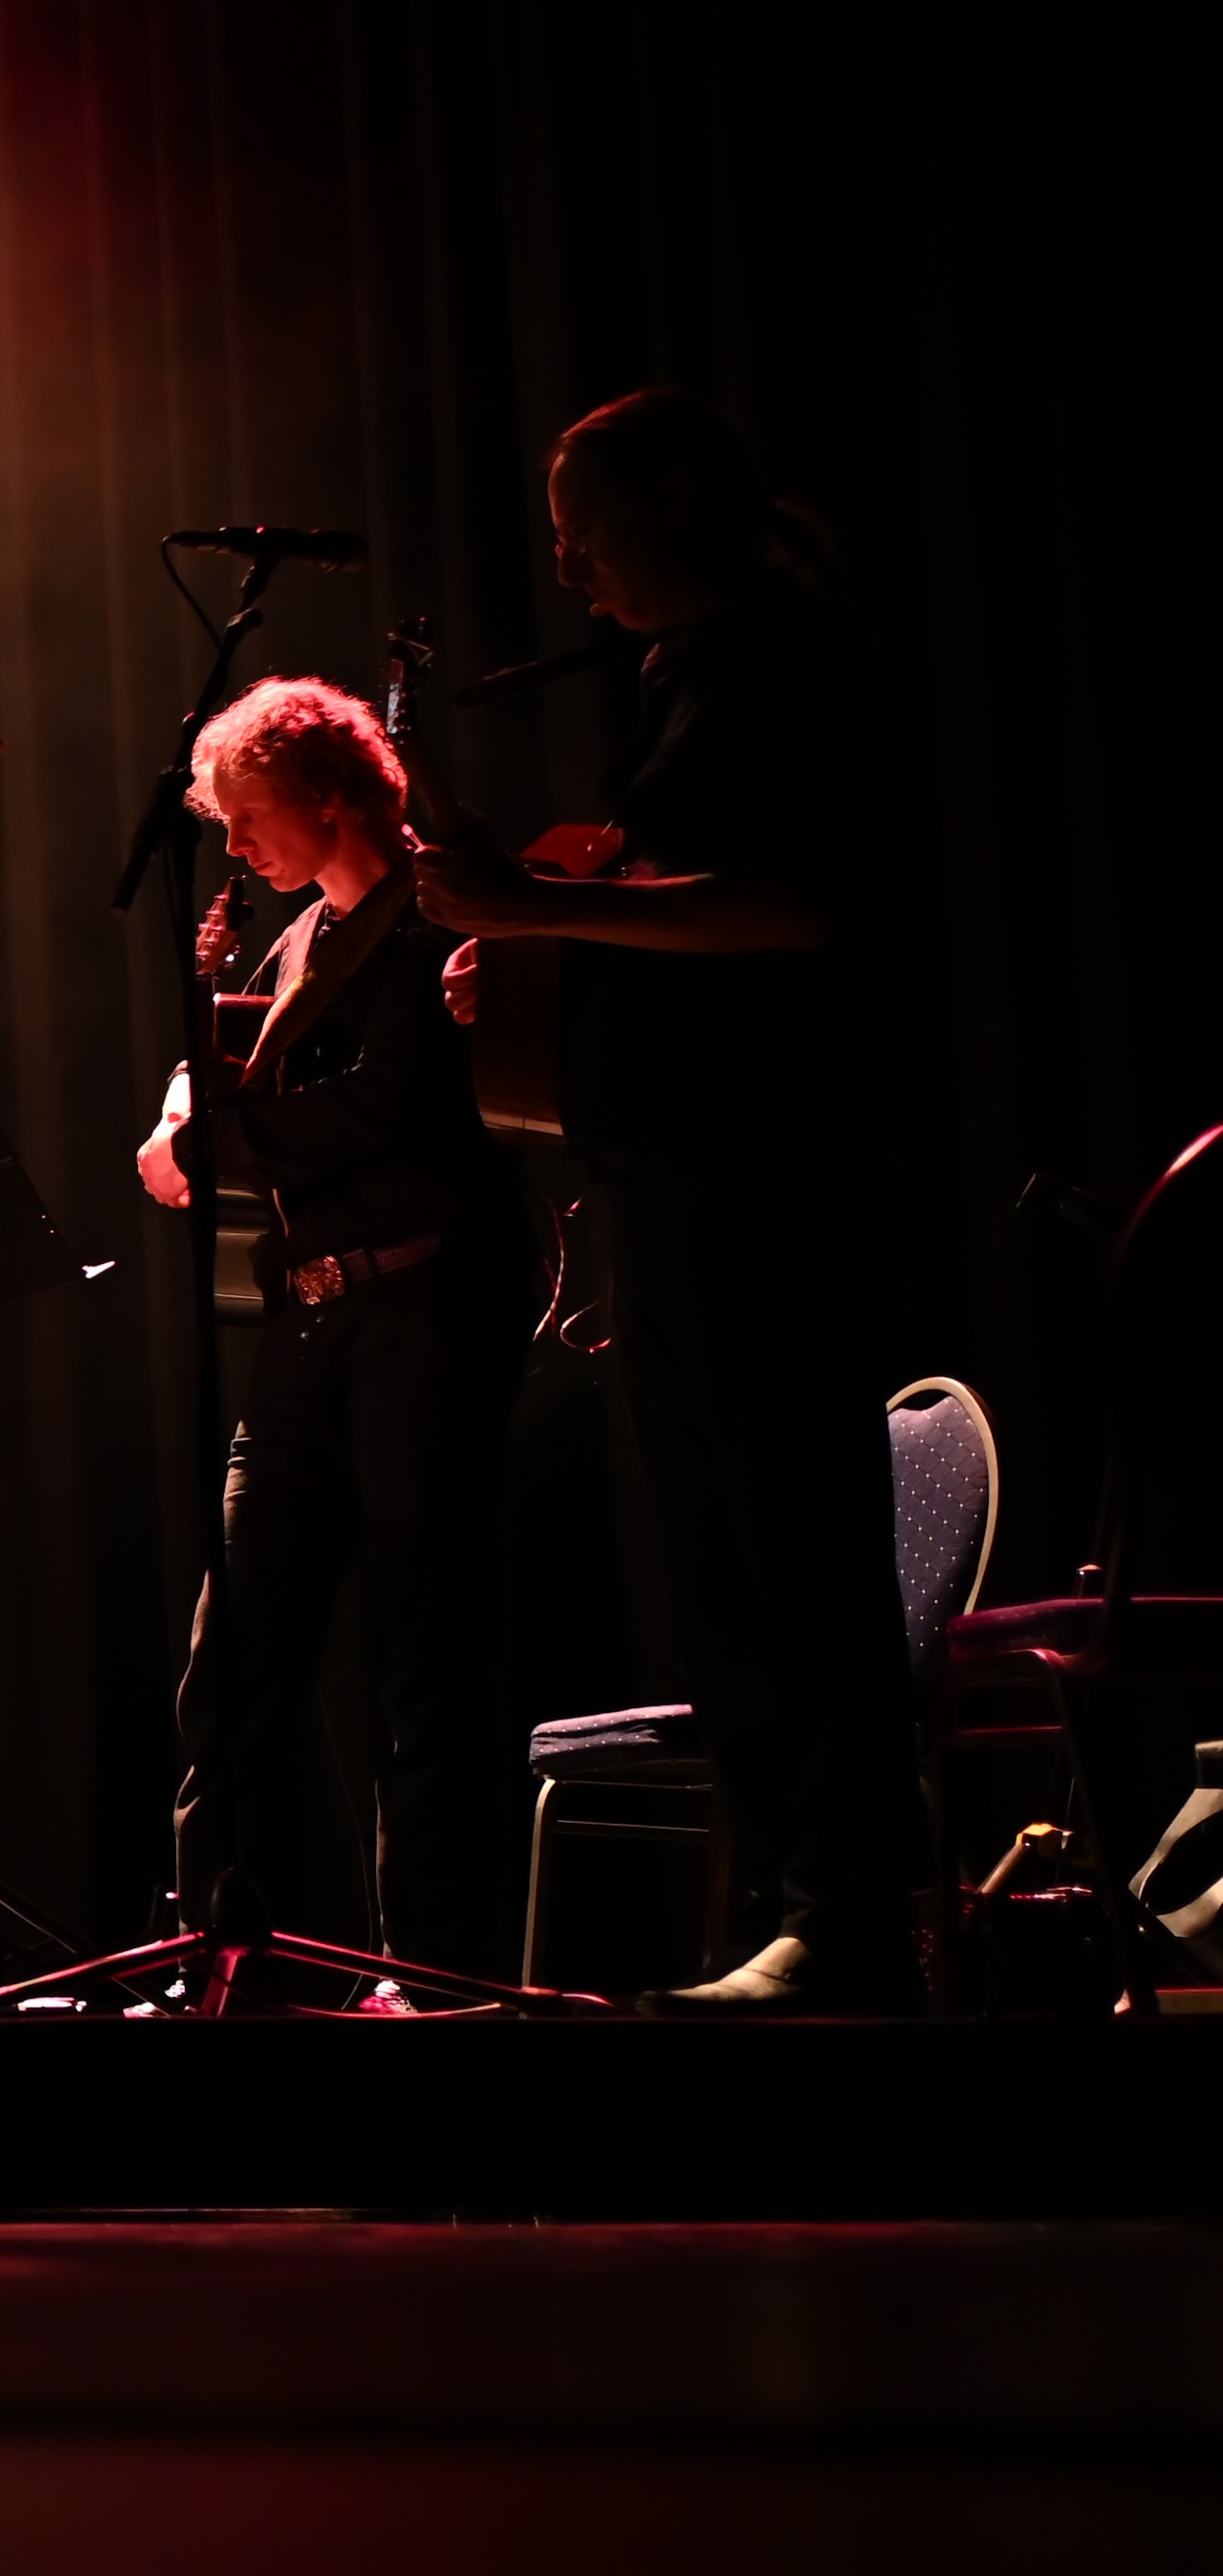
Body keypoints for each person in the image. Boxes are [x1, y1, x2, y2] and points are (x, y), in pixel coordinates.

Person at [409, 387, 913, 2011]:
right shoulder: (681, 676)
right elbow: (654, 917)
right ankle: (780, 1909)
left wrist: (533, 907)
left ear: (683, 503)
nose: (565, 567)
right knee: (719, 1571)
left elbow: (785, 913)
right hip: (671, 1184)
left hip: (764, 1177)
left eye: (587, 529)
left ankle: (850, 1924)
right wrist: (533, 948)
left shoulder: (787, 661)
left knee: (794, 1556)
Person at [134, 678, 538, 1970]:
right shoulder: (303, 933)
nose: (234, 842)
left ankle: (434, 1971)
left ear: (324, 796)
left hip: (425, 1314)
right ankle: (223, 1961)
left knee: (428, 1661)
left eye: (246, 815)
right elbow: (231, 1066)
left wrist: (214, 1139)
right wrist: (183, 1104)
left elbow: (393, 1104)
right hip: (306, 1326)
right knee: (236, 1660)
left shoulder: (439, 912)